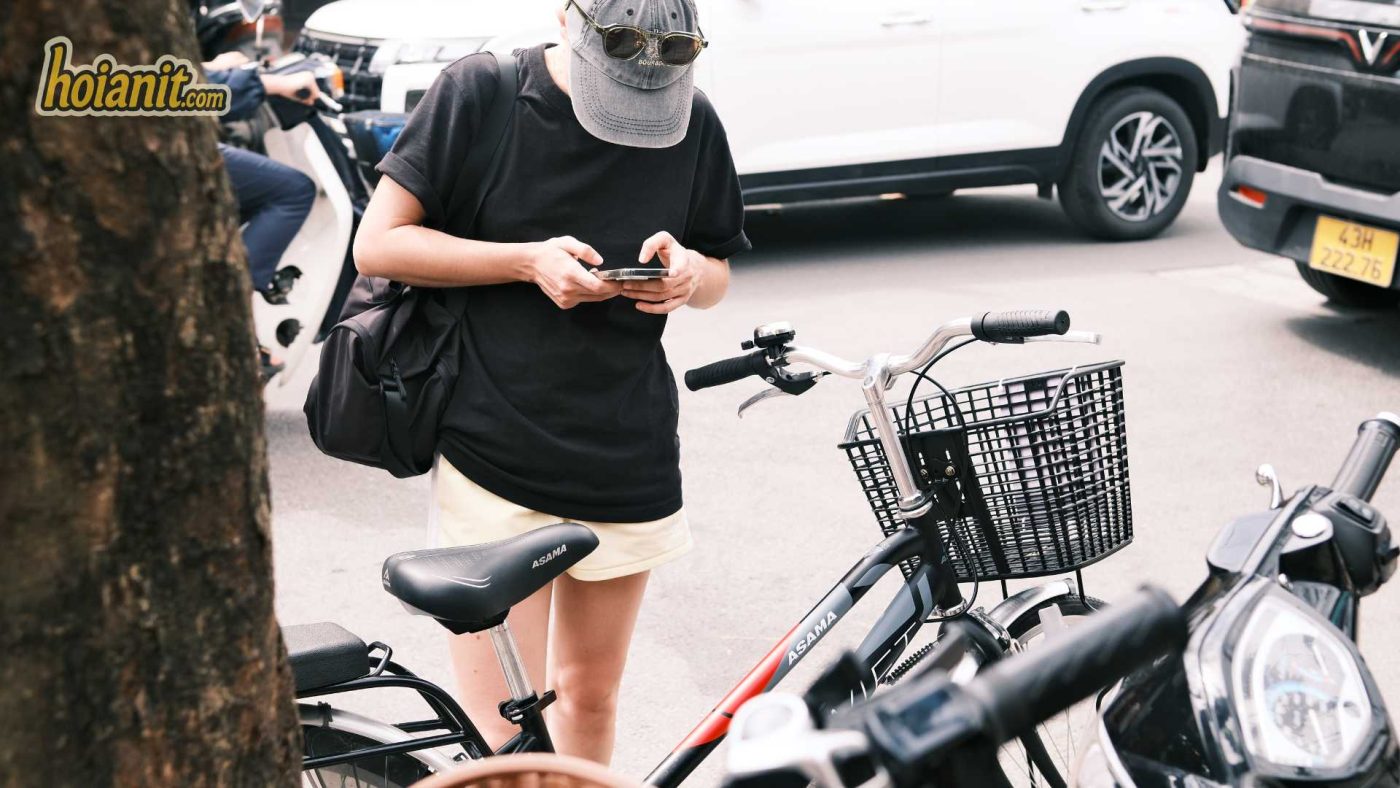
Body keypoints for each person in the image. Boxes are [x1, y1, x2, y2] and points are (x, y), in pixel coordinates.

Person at [353, 0, 749, 765]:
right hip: (495, 441)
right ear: (567, 19)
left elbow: (719, 272)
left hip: (625, 446)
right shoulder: (483, 91)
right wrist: (526, 261)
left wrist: (692, 276)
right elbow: (379, 244)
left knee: (593, 698)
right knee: (505, 734)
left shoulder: (692, 118)